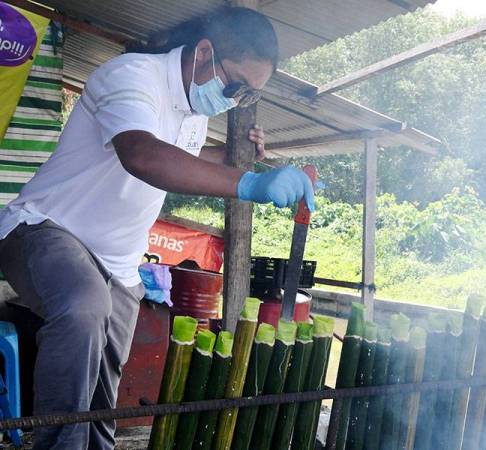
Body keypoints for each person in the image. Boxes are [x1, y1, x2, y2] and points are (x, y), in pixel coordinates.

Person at [0, 7, 313, 449]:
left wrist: (238, 159)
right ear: (204, 52)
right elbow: (143, 156)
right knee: (84, 307)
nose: (235, 99)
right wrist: (248, 183)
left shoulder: (194, 112)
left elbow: (180, 158)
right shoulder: (132, 76)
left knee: (107, 381)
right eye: (236, 85)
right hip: (43, 230)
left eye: (247, 96)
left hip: (119, 262)